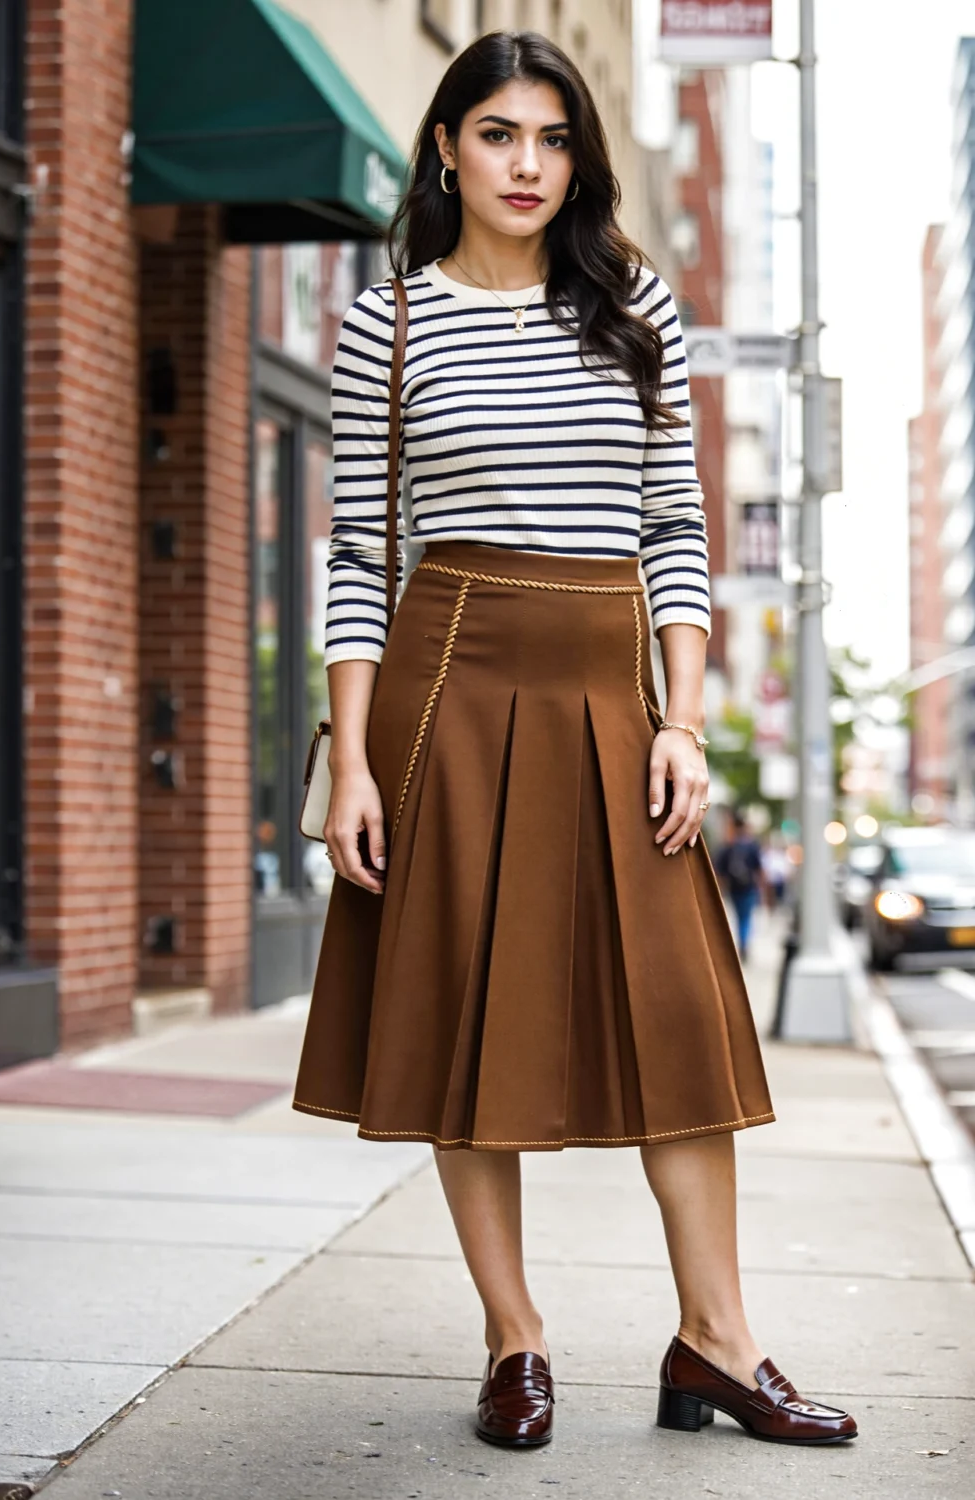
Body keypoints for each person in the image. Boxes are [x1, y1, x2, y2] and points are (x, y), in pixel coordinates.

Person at [293, 30, 855, 1451]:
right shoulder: (387, 323)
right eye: (497, 134)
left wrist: (684, 719)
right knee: (462, 1014)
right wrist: (350, 758)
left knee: (677, 1018)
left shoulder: (632, 305)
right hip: (448, 685)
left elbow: (675, 525)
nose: (526, 164)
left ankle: (718, 1342)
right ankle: (514, 1337)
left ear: (578, 159)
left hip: (615, 690)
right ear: (447, 148)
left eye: (551, 139)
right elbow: (358, 553)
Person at [714, 812, 764, 961]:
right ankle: (744, 943)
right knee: (746, 918)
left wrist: (720, 891)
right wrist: (763, 889)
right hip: (749, 887)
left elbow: (719, 871)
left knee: (739, 917)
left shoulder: (728, 846)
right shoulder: (752, 846)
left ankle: (742, 942)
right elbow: (759, 869)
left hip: (734, 888)